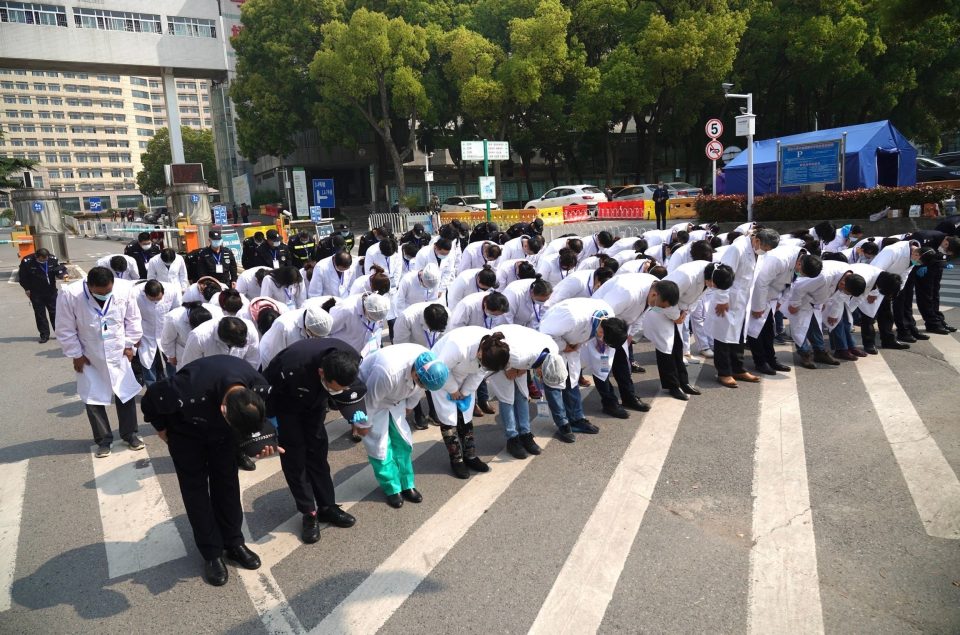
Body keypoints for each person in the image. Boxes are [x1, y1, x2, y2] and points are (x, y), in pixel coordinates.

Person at [141, 355, 276, 586]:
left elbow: (259, 421)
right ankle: (211, 553)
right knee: (196, 492)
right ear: (224, 409)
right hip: (187, 433)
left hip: (223, 436)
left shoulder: (257, 384)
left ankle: (234, 542)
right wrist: (161, 429)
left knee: (227, 484)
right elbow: (151, 400)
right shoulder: (185, 388)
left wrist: (262, 442)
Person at [263, 339, 367, 543]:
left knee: (318, 453)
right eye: (335, 388)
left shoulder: (349, 357)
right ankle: (309, 513)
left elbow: (351, 389)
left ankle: (327, 506)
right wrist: (269, 422)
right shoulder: (292, 365)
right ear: (322, 373)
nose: (338, 392)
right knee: (295, 459)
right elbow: (267, 388)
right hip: (287, 404)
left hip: (316, 403)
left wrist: (356, 414)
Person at [56, 266, 144, 457]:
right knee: (92, 397)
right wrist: (76, 354)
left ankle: (130, 435)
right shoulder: (71, 294)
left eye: (108, 291)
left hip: (119, 350)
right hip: (89, 354)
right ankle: (103, 440)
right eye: (99, 292)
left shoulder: (124, 289)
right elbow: (65, 328)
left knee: (125, 393)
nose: (104, 295)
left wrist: (130, 345)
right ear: (89, 286)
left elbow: (134, 319)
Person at [355, 345, 450, 507]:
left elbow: (419, 390)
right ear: (416, 372)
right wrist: (363, 423)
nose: (422, 386)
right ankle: (392, 488)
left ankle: (407, 484)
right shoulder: (387, 371)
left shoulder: (429, 368)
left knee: (403, 442)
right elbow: (370, 400)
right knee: (381, 446)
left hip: (397, 396)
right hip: (373, 399)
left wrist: (409, 407)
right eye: (421, 382)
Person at [430, 327, 511, 478]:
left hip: (466, 374)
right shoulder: (458, 346)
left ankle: (470, 455)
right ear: (480, 353)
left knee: (466, 416)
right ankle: (456, 459)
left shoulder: (495, 349)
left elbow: (480, 372)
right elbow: (441, 369)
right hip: (441, 375)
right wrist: (453, 389)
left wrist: (465, 392)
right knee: (448, 418)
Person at [538, 298, 622, 441]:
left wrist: (575, 345)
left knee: (573, 380)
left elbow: (586, 334)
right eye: (604, 340)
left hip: (572, 345)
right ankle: (562, 424)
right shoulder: (572, 317)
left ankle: (577, 419)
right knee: (555, 383)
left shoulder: (608, 314)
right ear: (601, 332)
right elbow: (544, 333)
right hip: (553, 343)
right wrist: (564, 346)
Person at [707, 229, 780, 388]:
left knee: (739, 336)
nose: (765, 252)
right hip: (728, 300)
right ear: (757, 240)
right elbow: (722, 274)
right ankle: (724, 372)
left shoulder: (758, 251)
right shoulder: (737, 248)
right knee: (723, 337)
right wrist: (722, 299)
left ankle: (738, 368)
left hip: (743, 301)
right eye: (765, 248)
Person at [649, 264, 734, 399]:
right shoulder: (686, 276)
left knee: (677, 347)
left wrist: (685, 313)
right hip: (659, 308)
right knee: (666, 348)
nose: (713, 288)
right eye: (715, 286)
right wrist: (677, 316)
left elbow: (696, 299)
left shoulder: (711, 276)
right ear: (711, 279)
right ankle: (672, 386)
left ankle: (683, 382)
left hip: (677, 311)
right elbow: (664, 297)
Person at [489, 324, 567, 459]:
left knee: (523, 395)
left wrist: (521, 369)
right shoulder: (518, 358)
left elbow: (527, 363)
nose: (541, 379)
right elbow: (508, 363)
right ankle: (512, 438)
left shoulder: (553, 351)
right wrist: (511, 369)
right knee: (507, 398)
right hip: (498, 352)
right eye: (542, 376)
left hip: (521, 352)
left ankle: (525, 434)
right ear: (540, 369)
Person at [785, 260, 867, 369]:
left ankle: (820, 352)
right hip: (800, 297)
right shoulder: (824, 277)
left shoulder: (849, 276)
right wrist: (794, 304)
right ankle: (805, 353)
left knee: (816, 326)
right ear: (843, 283)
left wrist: (822, 301)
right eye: (846, 292)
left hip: (815, 300)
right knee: (800, 327)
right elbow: (799, 287)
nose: (845, 293)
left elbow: (835, 293)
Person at [258, 302, 335, 369]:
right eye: (315, 336)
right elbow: (275, 356)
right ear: (307, 329)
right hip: (272, 356)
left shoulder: (315, 319)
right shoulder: (284, 327)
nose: (316, 338)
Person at [134, 279, 182, 385]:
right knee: (147, 362)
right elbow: (131, 316)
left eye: (158, 299)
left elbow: (178, 312)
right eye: (152, 300)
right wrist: (134, 335)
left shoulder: (173, 290)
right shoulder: (134, 294)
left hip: (167, 331)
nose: (155, 302)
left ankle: (174, 387)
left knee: (172, 360)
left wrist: (178, 333)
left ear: (163, 292)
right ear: (145, 294)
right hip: (145, 332)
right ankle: (152, 390)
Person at [18, 248, 64, 343]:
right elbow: (22, 277)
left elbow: (59, 269)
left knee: (55, 313)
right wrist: (26, 288)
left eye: (46, 259)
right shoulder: (27, 261)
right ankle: (44, 335)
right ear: (36, 257)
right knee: (40, 314)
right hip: (36, 292)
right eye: (42, 260)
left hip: (51, 291)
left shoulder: (52, 259)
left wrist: (63, 275)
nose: (45, 261)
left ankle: (60, 333)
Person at [180, 316, 260, 369]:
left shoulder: (250, 330)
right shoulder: (198, 337)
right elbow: (190, 366)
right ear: (223, 340)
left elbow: (252, 360)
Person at [328, 292, 391, 357]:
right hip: (339, 354)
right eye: (371, 318)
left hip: (360, 355)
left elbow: (376, 332)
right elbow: (327, 331)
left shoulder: (381, 307)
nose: (374, 321)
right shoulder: (346, 310)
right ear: (366, 308)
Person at [543, 267, 613, 308]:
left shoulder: (596, 277)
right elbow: (557, 300)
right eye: (599, 287)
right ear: (597, 279)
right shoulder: (577, 281)